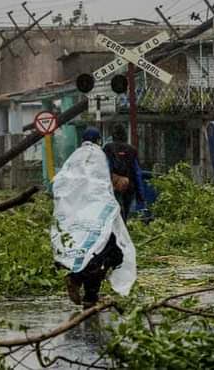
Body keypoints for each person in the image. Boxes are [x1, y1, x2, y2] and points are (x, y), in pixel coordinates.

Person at [51, 127, 135, 306]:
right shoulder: (101, 157)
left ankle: (80, 283)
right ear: (99, 140)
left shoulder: (73, 159)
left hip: (78, 215)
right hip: (99, 213)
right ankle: (88, 293)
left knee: (86, 249)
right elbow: (108, 182)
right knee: (108, 250)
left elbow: (60, 185)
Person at [103, 125, 145, 222]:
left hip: (112, 186)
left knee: (113, 213)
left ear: (113, 136)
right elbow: (137, 173)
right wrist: (140, 196)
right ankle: (123, 231)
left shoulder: (108, 148)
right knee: (125, 213)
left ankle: (114, 233)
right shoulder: (132, 150)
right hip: (128, 186)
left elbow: (105, 167)